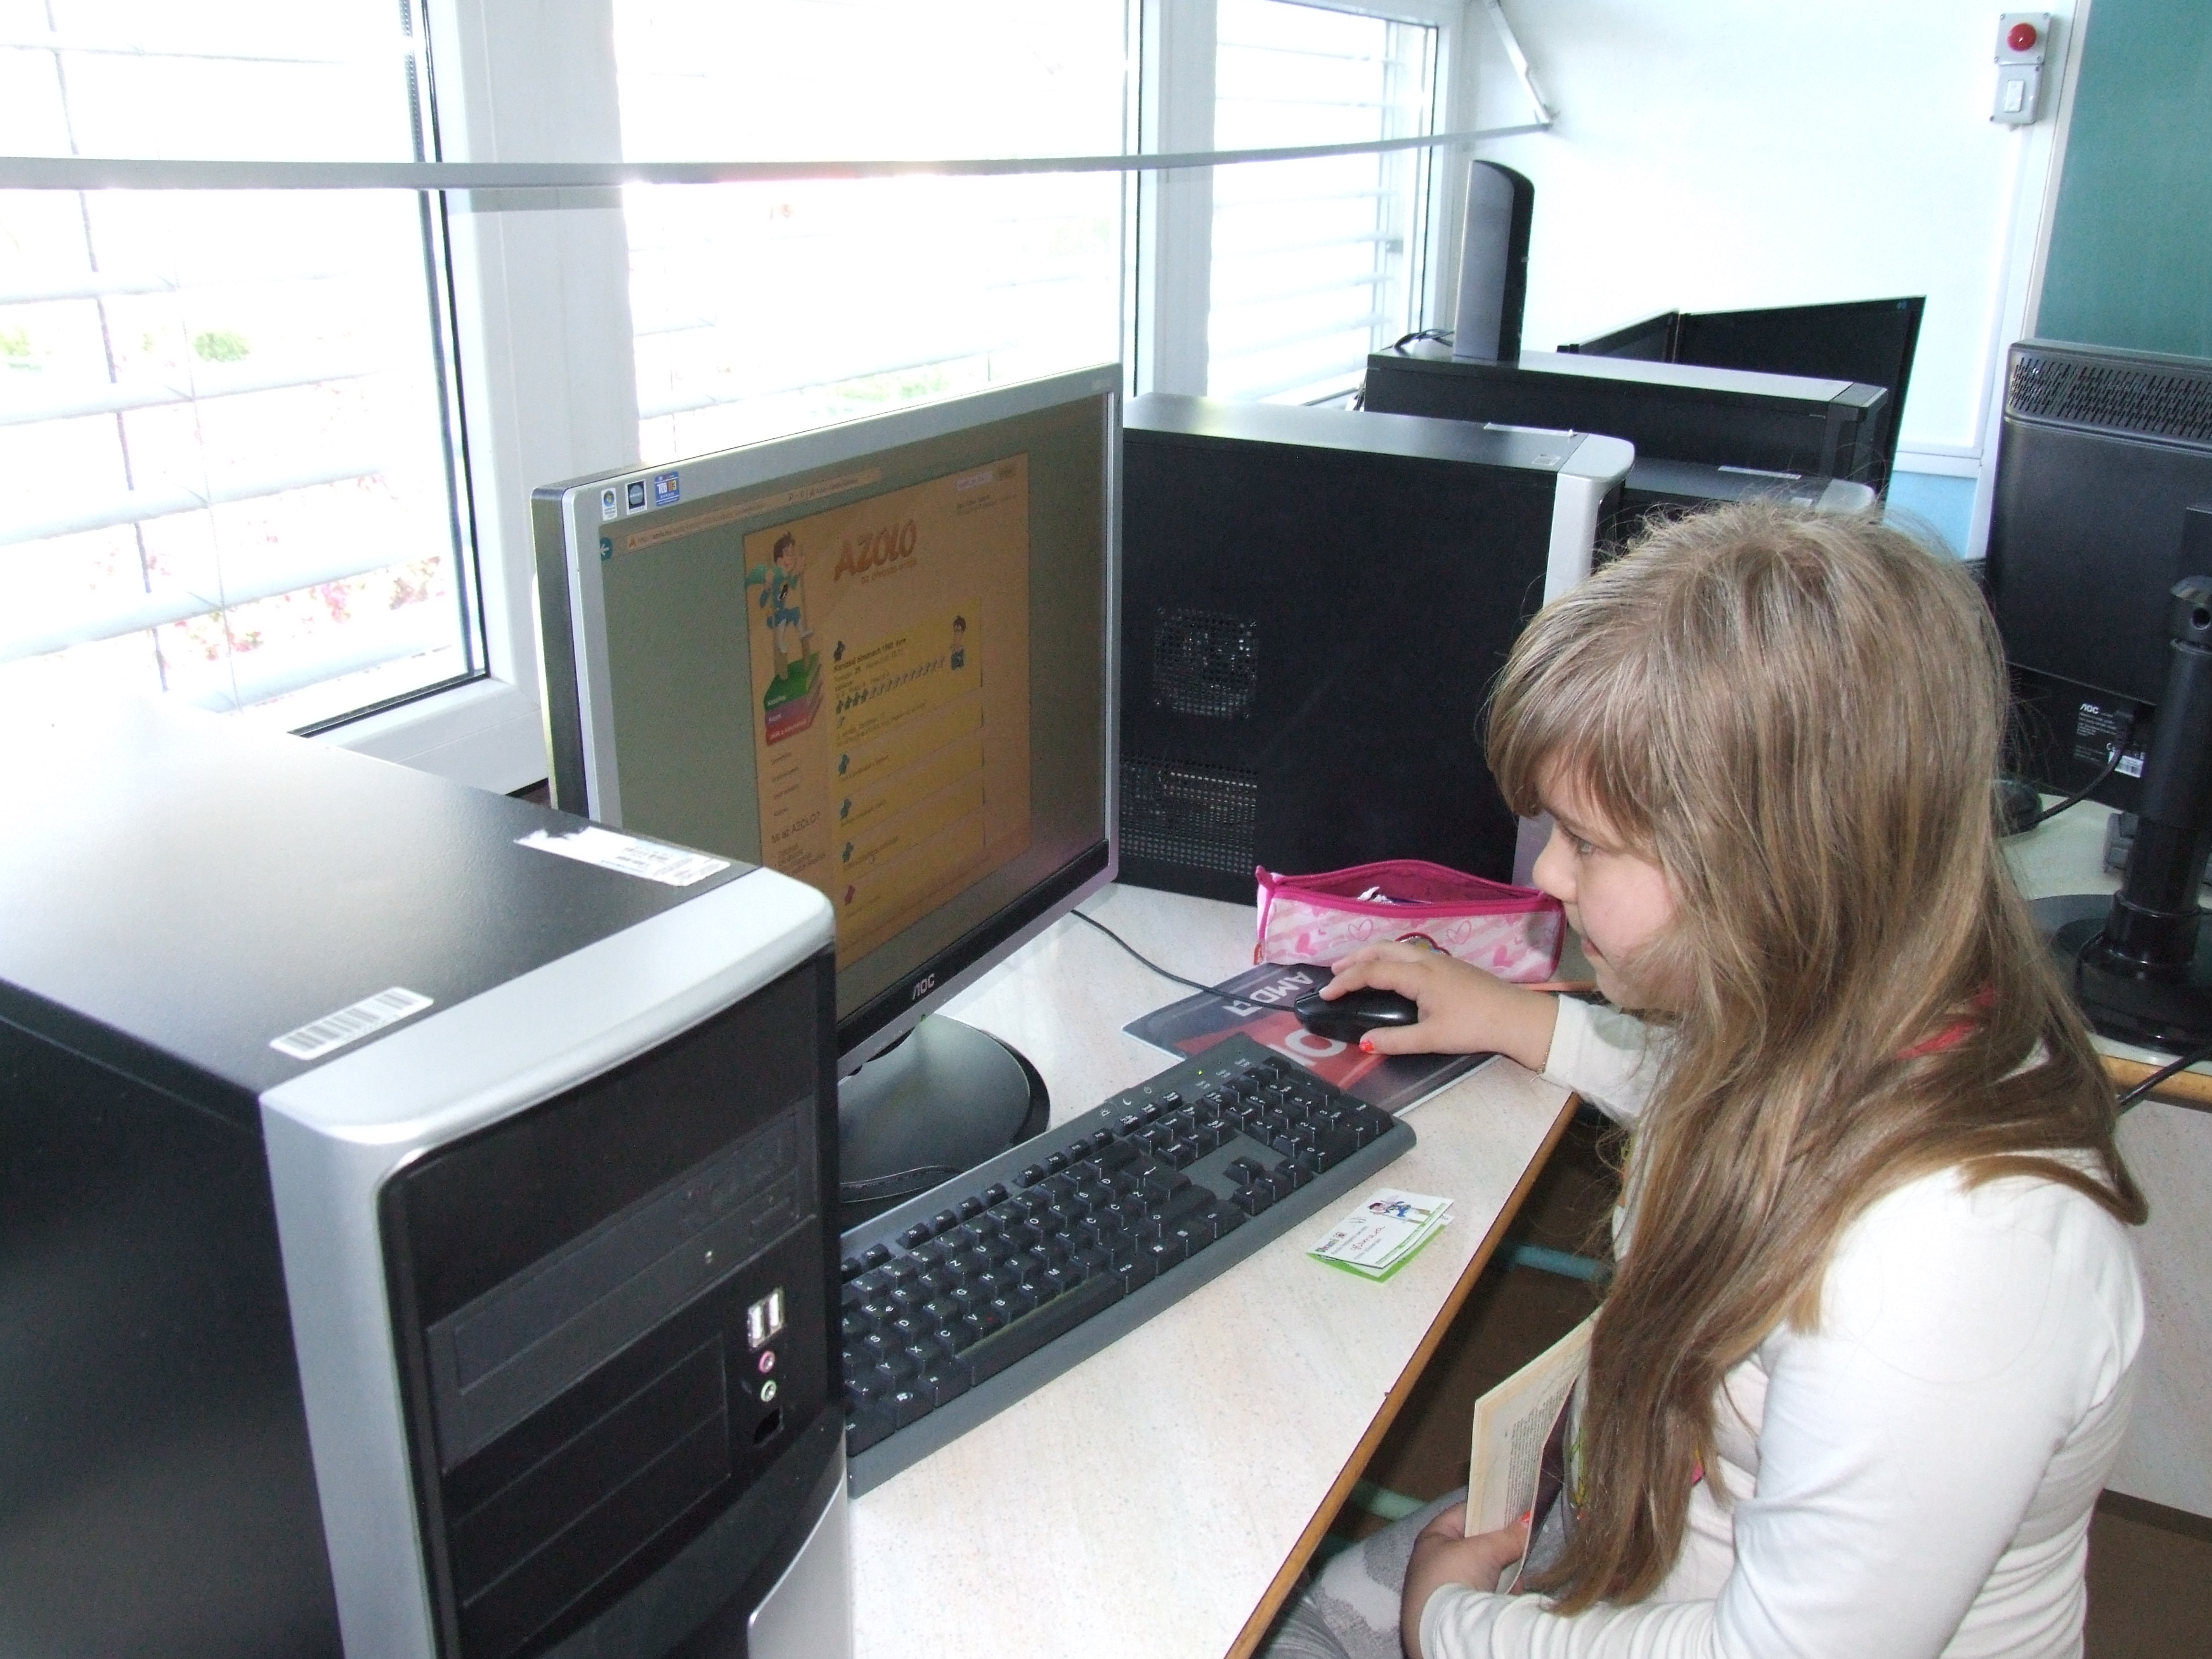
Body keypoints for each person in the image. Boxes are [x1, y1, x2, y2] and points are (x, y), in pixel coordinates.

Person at [1303, 505, 2146, 1658]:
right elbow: (1732, 1099)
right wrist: (1524, 1022)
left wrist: (1448, 1625)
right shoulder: (1862, 1012)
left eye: (1588, 842)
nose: (1551, 876)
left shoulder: (1953, 1264)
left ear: (1769, 871)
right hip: (1649, 1533)